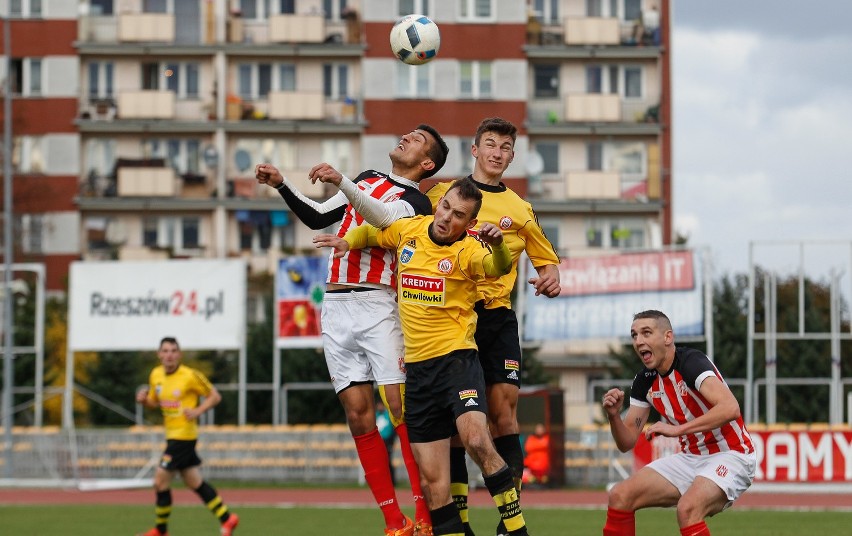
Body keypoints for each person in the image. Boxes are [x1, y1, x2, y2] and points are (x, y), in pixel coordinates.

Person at [255, 124, 450, 536]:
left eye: (416, 139)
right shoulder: (365, 179)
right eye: (407, 133)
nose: (404, 138)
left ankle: (424, 517)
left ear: (427, 162)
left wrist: (341, 179)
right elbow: (320, 214)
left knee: (399, 407)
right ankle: (393, 522)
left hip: (378, 303)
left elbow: (379, 219)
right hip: (336, 306)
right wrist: (282, 185)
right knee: (358, 415)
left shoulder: (414, 202)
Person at [314, 178, 530, 536]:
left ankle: (516, 529)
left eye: (458, 215)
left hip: (458, 362)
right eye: (445, 206)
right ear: (440, 202)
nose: (446, 217)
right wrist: (346, 241)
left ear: (470, 224)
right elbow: (371, 235)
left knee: (476, 439)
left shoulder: (470, 250)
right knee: (433, 486)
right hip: (417, 373)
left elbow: (498, 268)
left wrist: (499, 247)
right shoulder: (409, 230)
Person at [425, 117, 561, 536]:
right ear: (475, 149)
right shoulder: (440, 195)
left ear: (512, 156)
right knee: (453, 426)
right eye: (490, 144)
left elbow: (547, 259)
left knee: (503, 416)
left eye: (505, 146)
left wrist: (552, 275)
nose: (497, 152)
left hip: (496, 318)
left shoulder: (520, 209)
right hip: (450, 319)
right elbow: (410, 233)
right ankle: (461, 523)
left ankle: (508, 523)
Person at [601, 310, 756, 536]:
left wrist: (678, 430)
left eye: (646, 333)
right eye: (634, 335)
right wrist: (614, 416)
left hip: (731, 454)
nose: (639, 341)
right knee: (620, 496)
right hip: (691, 458)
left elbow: (730, 408)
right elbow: (626, 442)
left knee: (687, 509)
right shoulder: (644, 381)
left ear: (667, 337)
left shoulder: (691, 363)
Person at [135, 337, 239, 536]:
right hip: (171, 436)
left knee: (159, 481)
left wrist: (198, 411)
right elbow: (153, 402)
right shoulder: (155, 375)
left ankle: (161, 530)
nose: (169, 355)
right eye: (165, 351)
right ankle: (227, 518)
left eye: (173, 351)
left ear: (179, 354)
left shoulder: (190, 375)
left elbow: (215, 396)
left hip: (184, 437)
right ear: (159, 354)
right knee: (194, 482)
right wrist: (143, 400)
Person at [376, 398, 398, 486]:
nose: (379, 407)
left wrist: (392, 442)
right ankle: (381, 482)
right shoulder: (376, 415)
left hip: (388, 441)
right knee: (379, 462)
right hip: (379, 441)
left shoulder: (388, 415)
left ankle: (392, 481)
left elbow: (393, 429)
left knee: (388, 461)